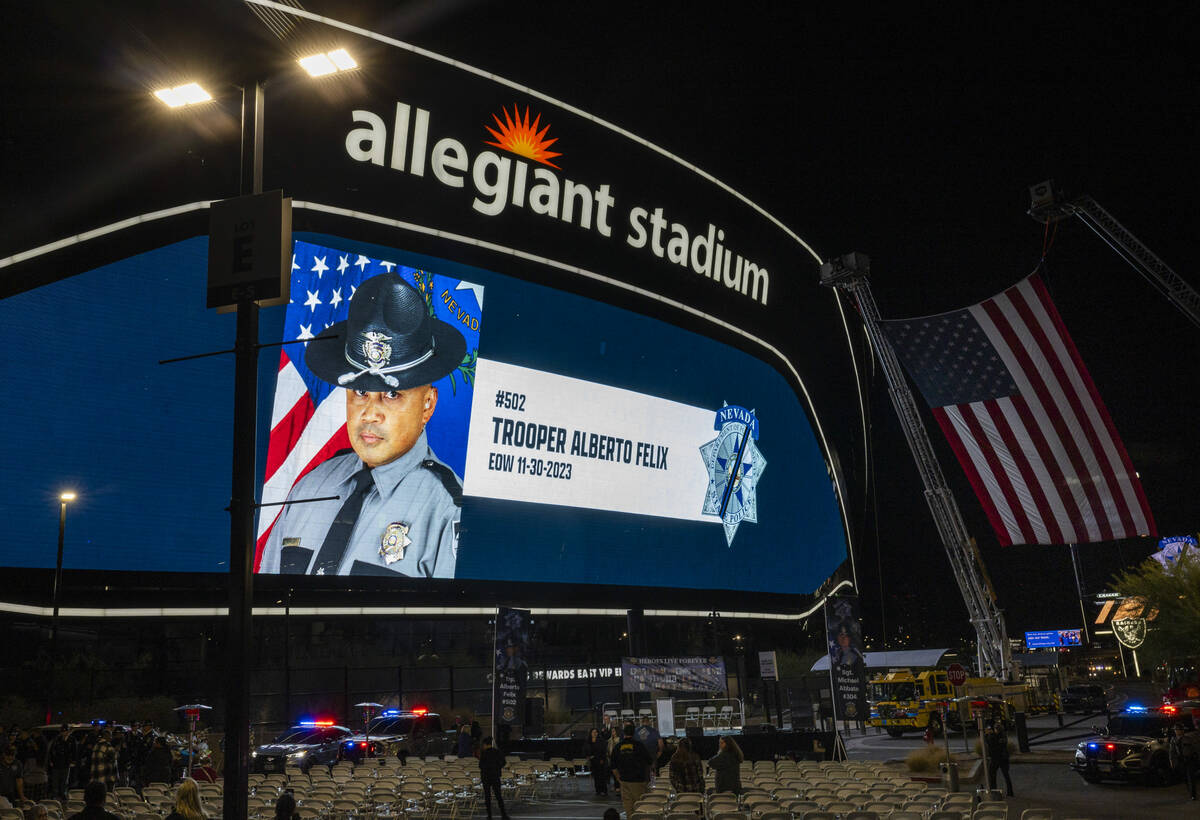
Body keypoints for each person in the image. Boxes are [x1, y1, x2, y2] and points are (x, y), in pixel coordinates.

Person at [259, 272, 468, 578]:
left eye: (392, 394)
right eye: (359, 392)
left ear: (428, 404)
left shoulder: (448, 512)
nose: (370, 413)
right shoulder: (309, 488)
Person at [610, 724, 652, 817]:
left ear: (623, 733)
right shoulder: (639, 745)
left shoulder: (617, 747)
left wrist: (619, 779)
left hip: (624, 781)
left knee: (629, 811)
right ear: (634, 733)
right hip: (638, 781)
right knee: (640, 809)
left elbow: (613, 766)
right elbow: (649, 761)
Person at [478, 736, 509, 820]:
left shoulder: (484, 753)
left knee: (487, 796)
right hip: (495, 776)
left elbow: (480, 766)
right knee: (498, 796)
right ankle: (503, 814)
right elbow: (504, 762)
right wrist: (497, 767)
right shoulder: (497, 752)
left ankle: (489, 815)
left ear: (485, 744)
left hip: (486, 777)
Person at [983, 718, 1014, 797]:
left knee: (992, 774)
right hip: (1004, 758)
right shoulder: (1003, 736)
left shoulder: (993, 737)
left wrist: (986, 734)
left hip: (995, 758)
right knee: (1006, 775)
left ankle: (994, 790)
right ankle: (1010, 792)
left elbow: (988, 742)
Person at [1171, 723, 1200, 800]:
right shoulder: (1174, 740)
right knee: (1185, 778)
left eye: (1178, 730)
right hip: (1181, 761)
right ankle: (1190, 792)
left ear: (1182, 731)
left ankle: (1193, 794)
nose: (1177, 731)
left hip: (1189, 760)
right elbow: (1172, 753)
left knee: (1191, 778)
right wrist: (1173, 763)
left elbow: (1195, 749)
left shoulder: (1188, 739)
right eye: (1176, 730)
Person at [47, 726, 75, 799]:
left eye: (66, 731)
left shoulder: (71, 740)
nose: (64, 733)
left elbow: (74, 751)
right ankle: (55, 795)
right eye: (63, 731)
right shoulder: (57, 739)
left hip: (66, 763)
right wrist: (51, 760)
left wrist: (73, 761)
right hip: (57, 763)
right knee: (55, 781)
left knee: (64, 781)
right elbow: (52, 750)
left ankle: (63, 794)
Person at [633, 715, 663, 780]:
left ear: (641, 722)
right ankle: (654, 788)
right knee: (653, 774)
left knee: (642, 775)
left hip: (640, 757)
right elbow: (660, 743)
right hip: (652, 755)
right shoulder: (654, 731)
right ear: (649, 722)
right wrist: (660, 752)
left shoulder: (636, 731)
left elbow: (633, 744)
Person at [587, 728, 609, 796]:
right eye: (593, 732)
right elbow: (585, 749)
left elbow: (603, 750)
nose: (594, 733)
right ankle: (598, 790)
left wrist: (602, 759)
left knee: (601, 776)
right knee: (596, 776)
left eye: (596, 732)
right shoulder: (588, 741)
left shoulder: (601, 740)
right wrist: (588, 755)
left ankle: (604, 790)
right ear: (591, 733)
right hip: (593, 761)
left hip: (600, 760)